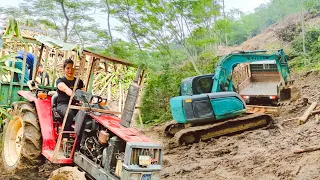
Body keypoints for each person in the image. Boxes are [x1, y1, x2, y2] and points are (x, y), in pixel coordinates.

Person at [56, 59, 84, 142]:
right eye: (68, 68)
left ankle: (81, 140)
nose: (70, 70)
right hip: (63, 105)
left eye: (72, 68)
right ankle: (65, 138)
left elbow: (84, 93)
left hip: (76, 105)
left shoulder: (79, 82)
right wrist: (74, 95)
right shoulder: (60, 80)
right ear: (64, 69)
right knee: (69, 113)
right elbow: (65, 89)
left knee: (87, 114)